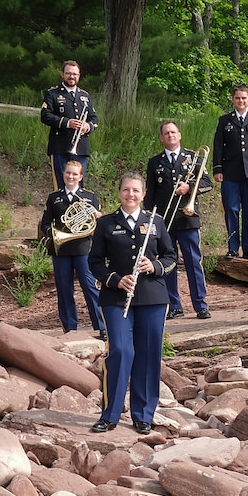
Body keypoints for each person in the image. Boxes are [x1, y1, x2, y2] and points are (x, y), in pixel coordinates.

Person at [88, 173, 178, 433]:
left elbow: (171, 257)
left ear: (144, 194)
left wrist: (155, 265)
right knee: (121, 351)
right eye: (126, 190)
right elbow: (94, 262)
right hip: (116, 298)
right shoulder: (106, 224)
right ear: (119, 192)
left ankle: (143, 415)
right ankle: (110, 414)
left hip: (152, 297)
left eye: (136, 190)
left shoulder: (156, 222)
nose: (131, 194)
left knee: (148, 355)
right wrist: (114, 280)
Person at [146, 122, 213, 320]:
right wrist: (149, 219)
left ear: (180, 135)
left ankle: (200, 305)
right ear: (161, 138)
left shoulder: (193, 157)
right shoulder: (154, 162)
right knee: (168, 263)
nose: (170, 135)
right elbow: (150, 195)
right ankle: (174, 305)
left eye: (173, 132)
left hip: (188, 219)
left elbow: (208, 183)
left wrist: (190, 187)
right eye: (166, 133)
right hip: (164, 222)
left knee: (194, 262)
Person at [39, 160, 105, 339]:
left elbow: (98, 226)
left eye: (75, 174)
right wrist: (53, 233)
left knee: (90, 287)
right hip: (61, 250)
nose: (71, 176)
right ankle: (70, 327)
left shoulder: (90, 197)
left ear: (80, 177)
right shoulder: (54, 197)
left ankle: (101, 327)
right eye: (68, 173)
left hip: (83, 248)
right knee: (64, 289)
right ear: (63, 174)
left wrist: (98, 218)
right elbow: (45, 223)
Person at [211, 84, 248, 258]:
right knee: (232, 210)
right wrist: (217, 169)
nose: (241, 101)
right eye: (238, 98)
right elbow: (218, 146)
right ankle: (233, 248)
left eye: (244, 98)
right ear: (233, 100)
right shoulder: (224, 120)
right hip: (230, 173)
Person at [39, 60, 96, 179]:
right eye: (68, 73)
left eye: (75, 74)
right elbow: (45, 116)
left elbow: (94, 118)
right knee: (60, 185)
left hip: (80, 148)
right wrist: (67, 123)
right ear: (62, 74)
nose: (72, 77)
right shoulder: (52, 93)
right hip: (60, 146)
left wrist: (87, 126)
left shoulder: (85, 96)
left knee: (79, 187)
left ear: (79, 76)